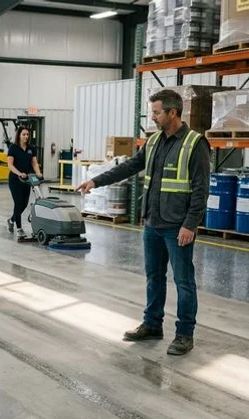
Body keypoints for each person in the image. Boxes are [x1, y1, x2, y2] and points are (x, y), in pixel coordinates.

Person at [76, 89, 210, 356]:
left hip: (177, 226)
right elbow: (129, 167)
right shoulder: (153, 142)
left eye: (157, 112)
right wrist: (96, 180)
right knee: (153, 277)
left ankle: (185, 333)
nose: (153, 117)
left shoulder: (195, 143)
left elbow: (200, 189)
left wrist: (190, 224)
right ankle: (152, 324)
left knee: (184, 281)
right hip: (153, 223)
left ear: (172, 112)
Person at [7, 126, 43, 238]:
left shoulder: (31, 148)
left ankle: (11, 220)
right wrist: (19, 173)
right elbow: (10, 165)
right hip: (15, 180)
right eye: (24, 134)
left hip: (27, 180)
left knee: (24, 204)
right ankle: (19, 229)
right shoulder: (13, 148)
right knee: (18, 203)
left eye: (27, 134)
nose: (26, 136)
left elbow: (34, 163)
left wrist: (38, 173)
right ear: (19, 135)